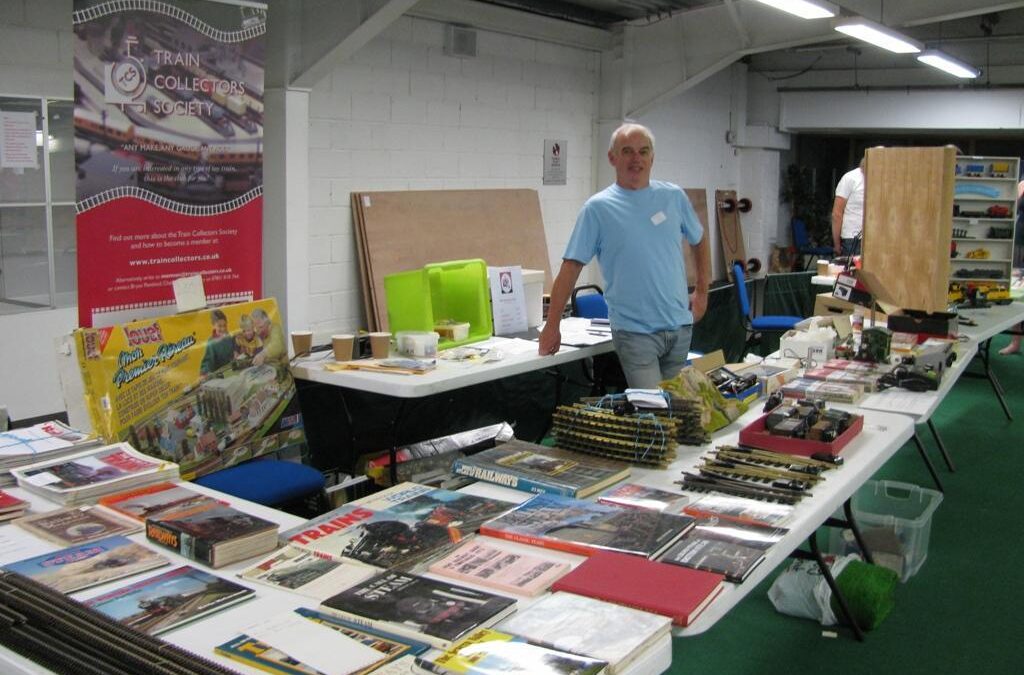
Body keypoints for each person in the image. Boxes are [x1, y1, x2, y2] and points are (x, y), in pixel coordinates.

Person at [538, 122, 710, 389]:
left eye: (643, 151)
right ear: (612, 157)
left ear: (652, 157)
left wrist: (702, 291)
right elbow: (570, 268)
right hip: (635, 333)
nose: (636, 159)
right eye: (627, 151)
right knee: (653, 413)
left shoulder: (673, 197)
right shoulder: (597, 209)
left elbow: (699, 240)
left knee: (677, 413)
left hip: (679, 328)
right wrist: (552, 325)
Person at [999, 178, 1024, 355]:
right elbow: (1011, 203)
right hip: (1021, 240)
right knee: (1018, 292)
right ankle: (1015, 343)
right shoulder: (1022, 183)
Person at [832, 158, 865, 256]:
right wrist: (837, 244)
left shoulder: (882, 180)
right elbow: (837, 214)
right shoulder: (850, 178)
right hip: (853, 238)